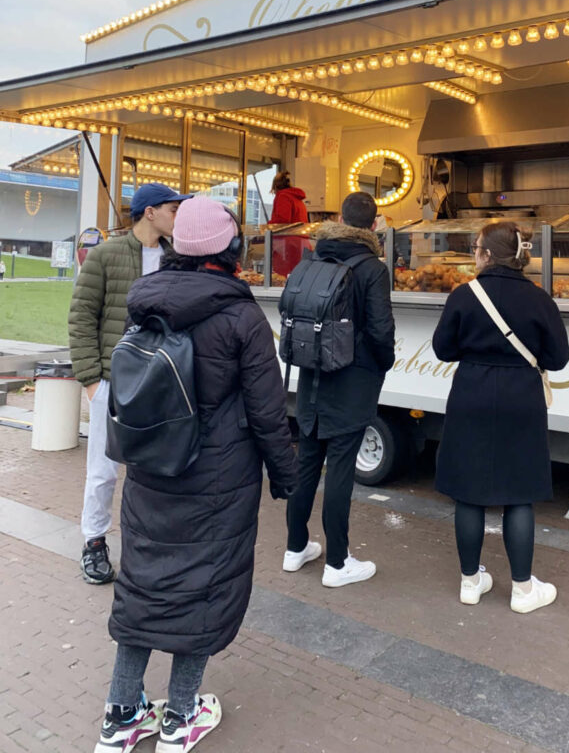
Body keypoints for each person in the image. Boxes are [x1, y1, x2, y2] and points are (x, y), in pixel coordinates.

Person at [93, 194, 298, 753]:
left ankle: (119, 716)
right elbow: (266, 410)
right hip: (218, 479)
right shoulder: (242, 316)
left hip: (152, 470)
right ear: (231, 249)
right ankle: (180, 717)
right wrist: (287, 476)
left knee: (144, 587)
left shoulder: (145, 302)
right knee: (202, 591)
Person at [431, 221, 569, 613]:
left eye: (476, 247)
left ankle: (470, 582)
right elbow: (559, 358)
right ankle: (523, 590)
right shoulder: (540, 299)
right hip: (521, 400)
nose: (474, 253)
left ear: (487, 254)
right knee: (519, 493)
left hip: (471, 393)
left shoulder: (463, 295)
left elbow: (443, 349)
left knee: (469, 492)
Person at [68, 182, 191, 584]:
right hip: (110, 381)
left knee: (153, 469)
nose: (179, 216)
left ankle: (147, 545)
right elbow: (81, 318)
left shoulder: (179, 258)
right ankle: (94, 543)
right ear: (150, 212)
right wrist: (91, 381)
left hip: (158, 382)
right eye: (173, 209)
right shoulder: (105, 256)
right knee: (103, 470)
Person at [283, 191, 395, 587]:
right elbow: (381, 331)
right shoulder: (372, 268)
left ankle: (295, 549)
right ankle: (337, 562)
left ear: (339, 219)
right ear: (374, 224)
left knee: (307, 463)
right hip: (352, 379)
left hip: (312, 375)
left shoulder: (314, 257)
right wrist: (384, 363)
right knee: (341, 470)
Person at [268, 170, 309, 277]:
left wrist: (268, 226)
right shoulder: (297, 198)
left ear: (275, 187)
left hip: (287, 245)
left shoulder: (283, 196)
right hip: (301, 242)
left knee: (282, 278)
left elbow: (282, 221)